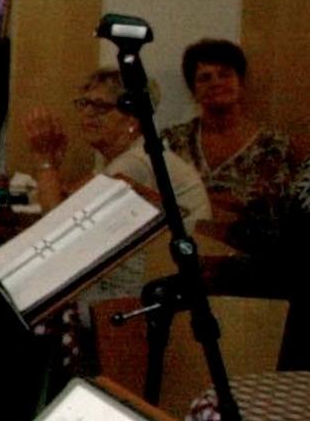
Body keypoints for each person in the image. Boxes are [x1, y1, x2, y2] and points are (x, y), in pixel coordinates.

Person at [24, 69, 211, 307]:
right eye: (84, 104)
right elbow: (71, 204)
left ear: (132, 120)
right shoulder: (128, 156)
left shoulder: (137, 163)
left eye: (101, 107)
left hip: (146, 297)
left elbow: (58, 231)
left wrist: (45, 160)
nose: (88, 114)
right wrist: (54, 168)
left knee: (25, 296)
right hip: (140, 283)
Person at [158, 38, 299, 258]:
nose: (216, 83)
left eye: (225, 74)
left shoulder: (274, 146)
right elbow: (157, 200)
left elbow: (281, 217)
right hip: (181, 254)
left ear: (241, 83)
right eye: (205, 78)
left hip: (251, 261)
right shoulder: (173, 141)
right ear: (193, 91)